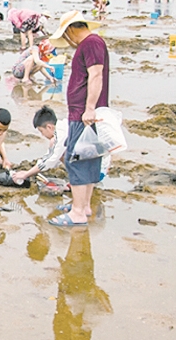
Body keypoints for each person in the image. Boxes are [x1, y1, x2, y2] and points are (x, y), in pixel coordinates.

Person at [45, 11, 108, 227]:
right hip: (82, 113)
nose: (68, 43)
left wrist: (89, 108)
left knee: (76, 159)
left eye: (67, 37)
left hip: (84, 114)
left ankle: (79, 212)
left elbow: (96, 75)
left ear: (71, 29)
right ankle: (83, 205)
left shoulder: (90, 43)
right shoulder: (92, 44)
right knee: (88, 157)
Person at [10, 106, 65, 185]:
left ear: (49, 127)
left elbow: (49, 160)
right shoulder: (64, 125)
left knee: (53, 144)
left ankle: (78, 181)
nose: (42, 135)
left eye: (41, 131)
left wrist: (26, 174)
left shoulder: (60, 135)